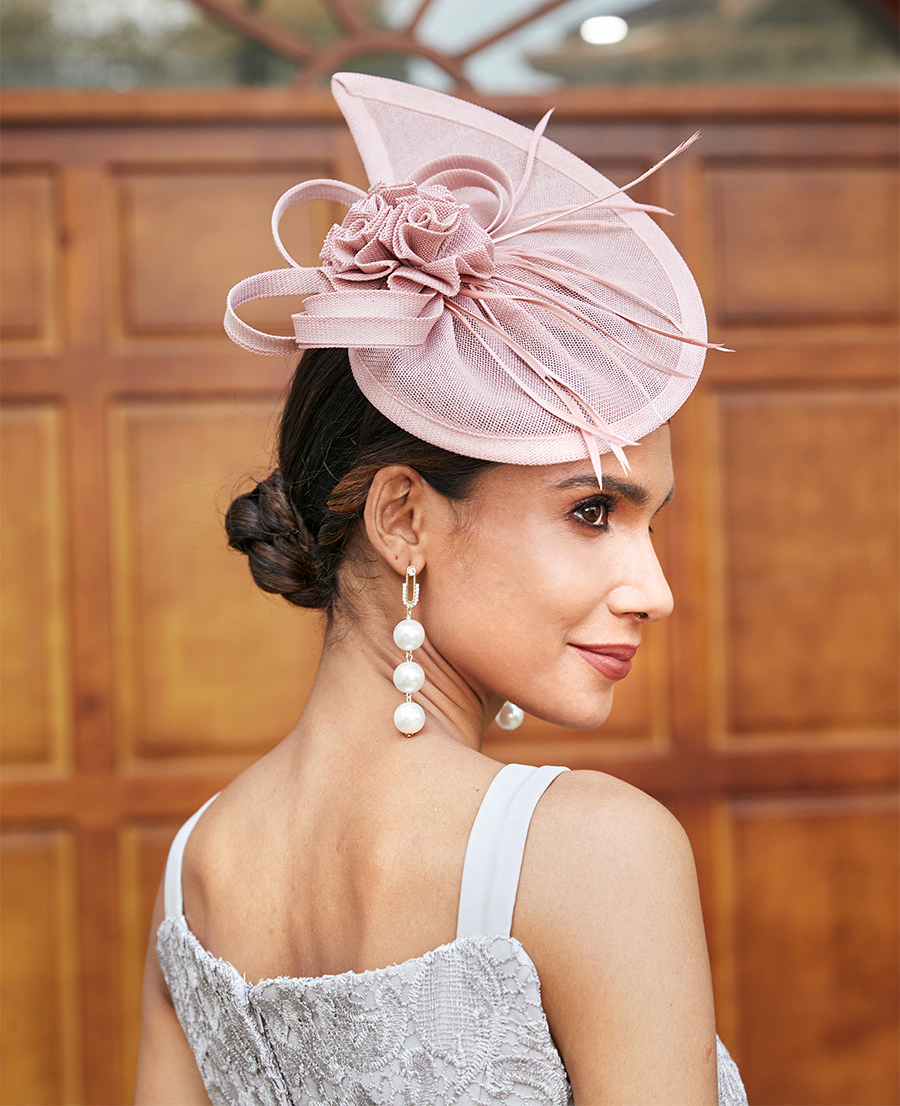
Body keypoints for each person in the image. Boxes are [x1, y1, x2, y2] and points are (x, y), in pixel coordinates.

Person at [135, 73, 748, 1105]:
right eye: (593, 512)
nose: (654, 591)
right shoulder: (591, 847)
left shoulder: (199, 868)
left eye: (651, 523)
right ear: (405, 518)